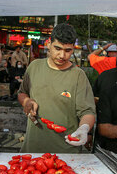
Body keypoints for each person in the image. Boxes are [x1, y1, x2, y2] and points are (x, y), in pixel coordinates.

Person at [18, 23, 96, 153]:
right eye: (57, 48)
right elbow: (22, 93)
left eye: (68, 51)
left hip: (66, 151)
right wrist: (27, 102)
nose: (62, 55)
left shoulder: (78, 76)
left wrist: (84, 128)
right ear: (49, 44)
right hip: (33, 149)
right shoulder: (34, 67)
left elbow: (88, 112)